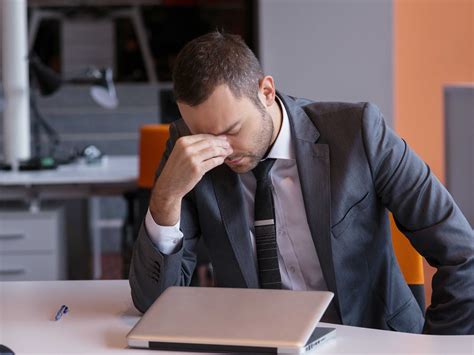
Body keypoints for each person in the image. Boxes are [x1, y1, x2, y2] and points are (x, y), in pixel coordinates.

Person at [129, 31, 474, 335]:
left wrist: (438, 346)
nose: (221, 150)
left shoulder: (358, 133)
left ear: (266, 91)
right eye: (203, 134)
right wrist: (166, 197)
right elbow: (153, 303)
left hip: (369, 339)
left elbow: (463, 254)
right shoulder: (187, 150)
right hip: (253, 343)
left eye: (231, 131)